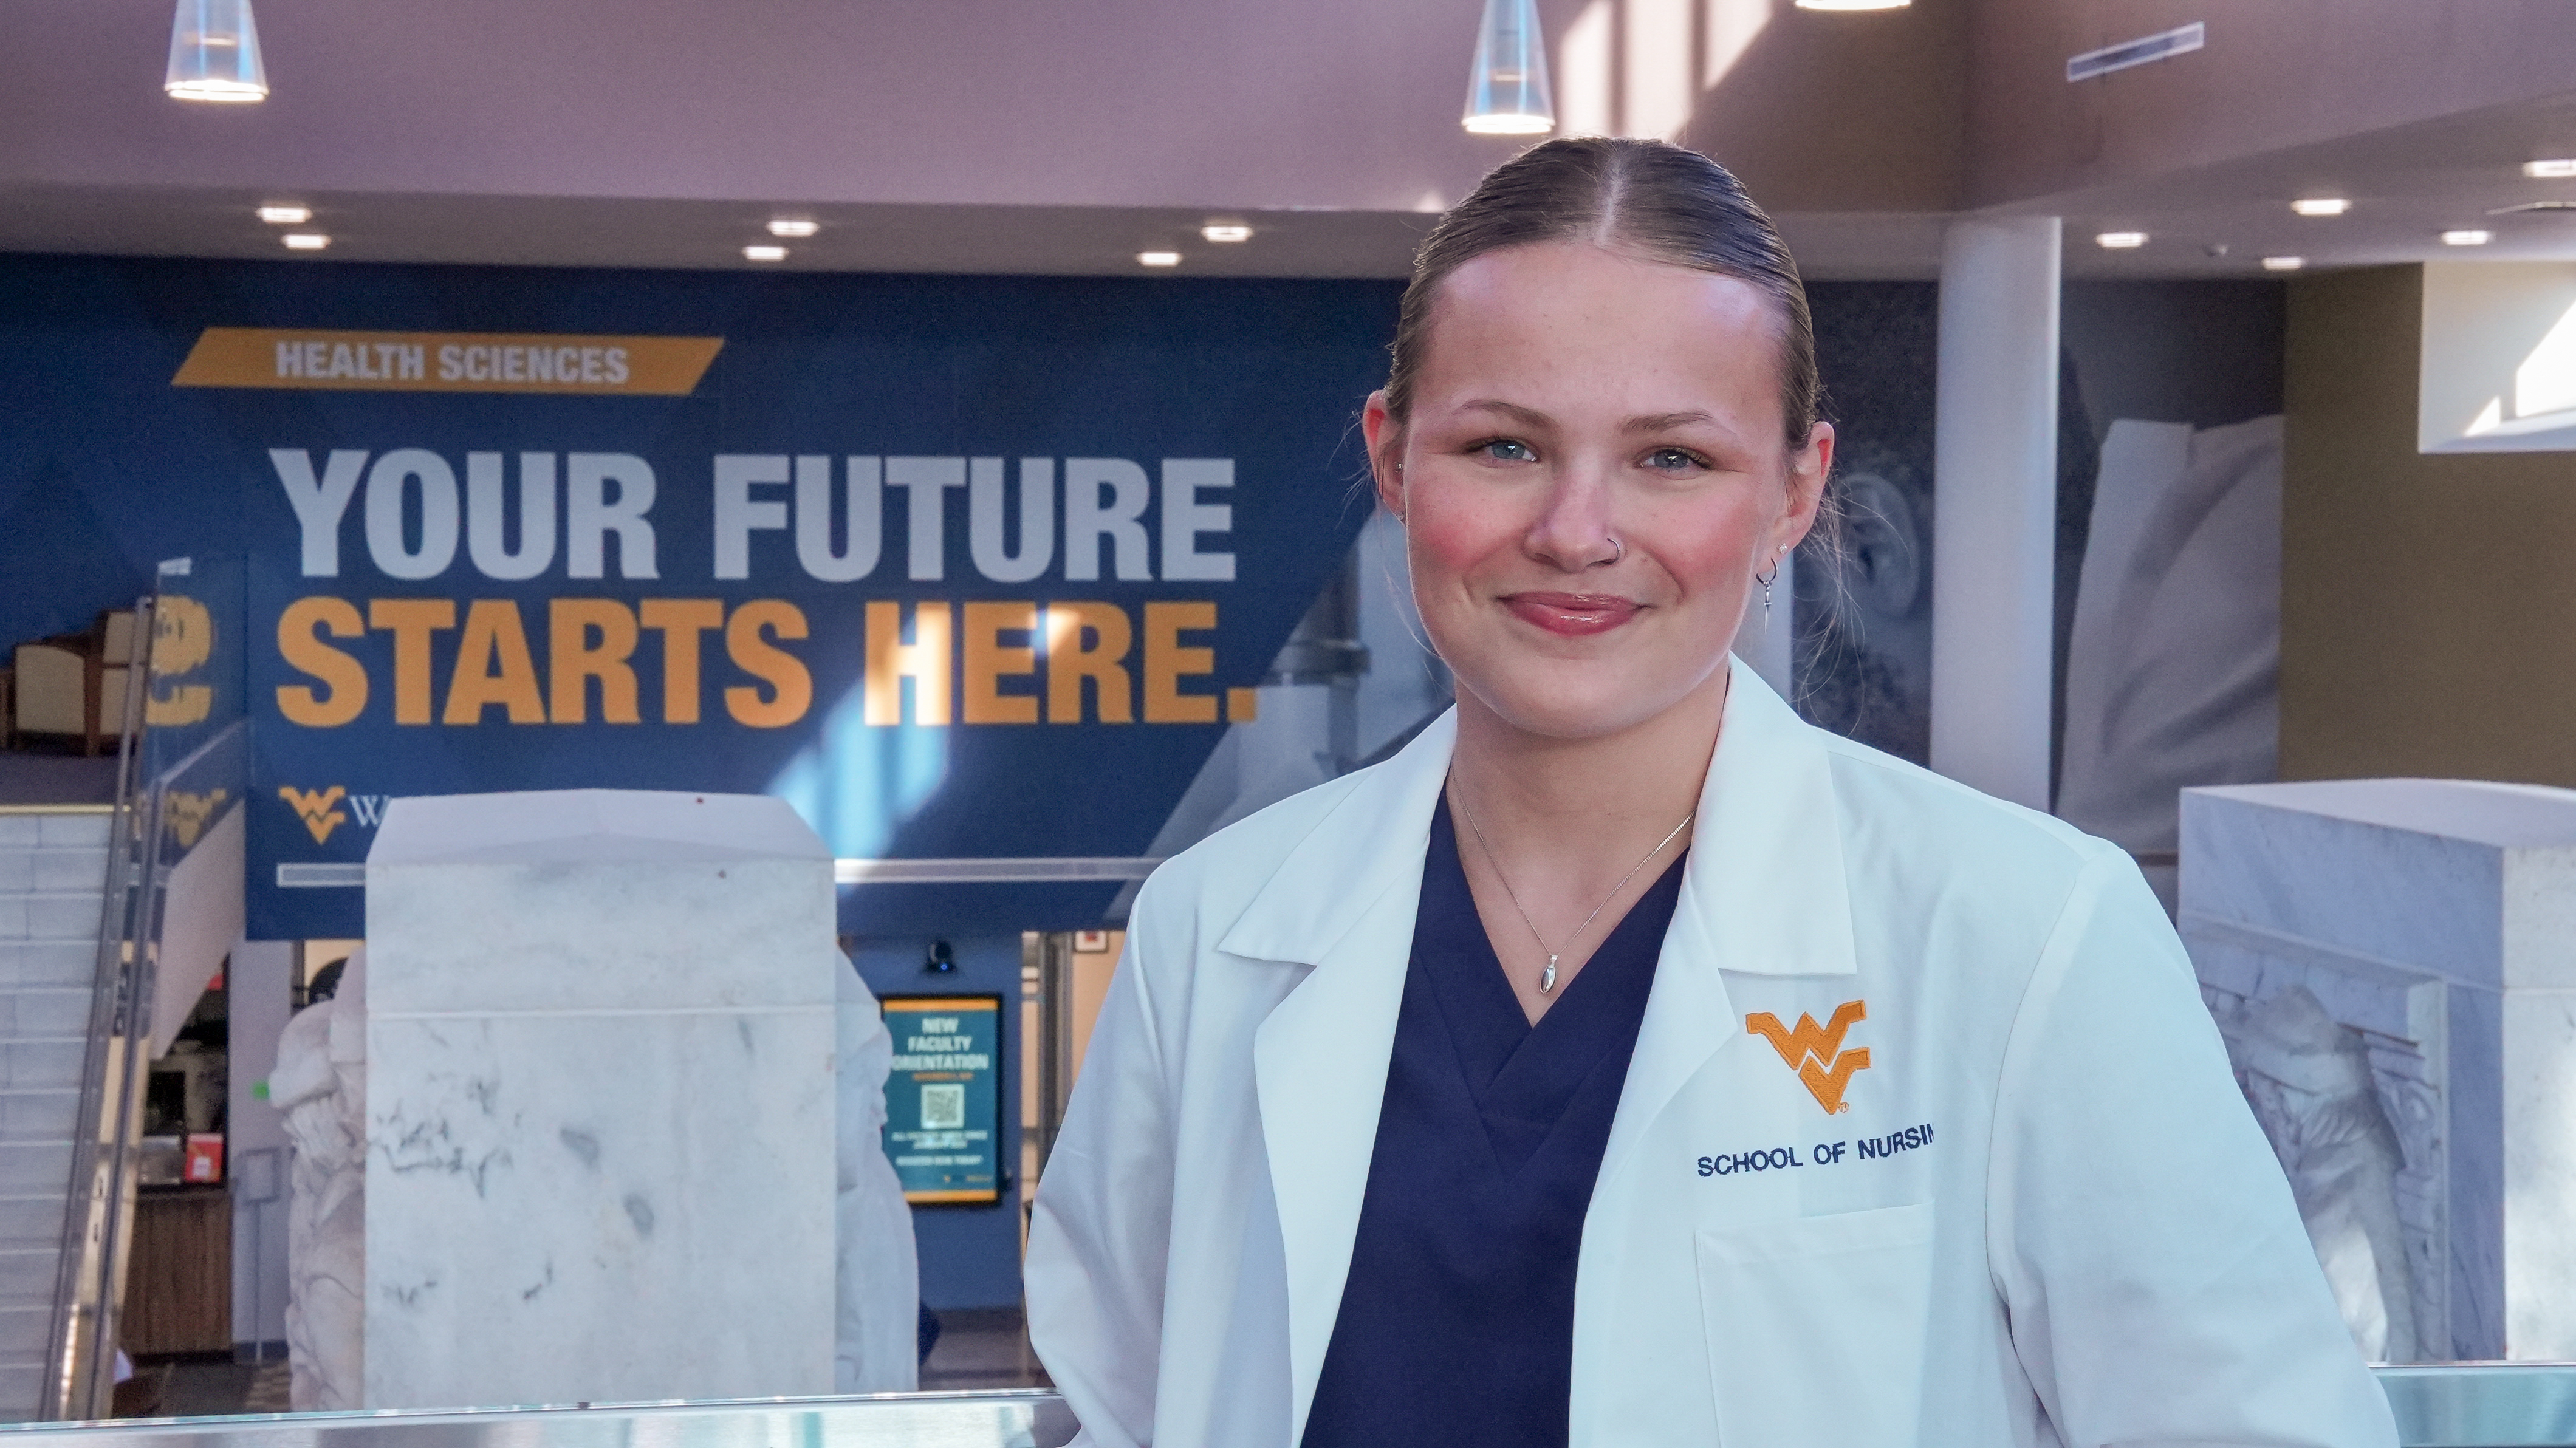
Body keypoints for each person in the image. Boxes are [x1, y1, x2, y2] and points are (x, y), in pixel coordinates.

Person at [1023, 137, 2394, 1448]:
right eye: (1501, 446)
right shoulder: (1212, 932)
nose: (1574, 531)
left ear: (1796, 492)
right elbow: (1110, 1411)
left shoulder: (2023, 934)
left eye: (1669, 458)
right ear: (1390, 456)